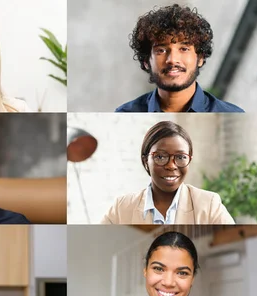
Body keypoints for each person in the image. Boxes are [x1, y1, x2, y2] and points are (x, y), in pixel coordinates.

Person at [95, 231, 234, 296]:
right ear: (145, 270)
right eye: (158, 269)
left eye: (182, 273)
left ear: (192, 278)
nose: (168, 282)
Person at [115, 4, 244, 112]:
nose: (172, 59)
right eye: (161, 50)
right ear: (146, 61)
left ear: (200, 58)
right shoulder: (124, 117)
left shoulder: (232, 117)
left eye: (184, 49)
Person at [101, 121, 234, 224]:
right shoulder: (122, 207)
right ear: (145, 160)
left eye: (181, 157)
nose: (171, 166)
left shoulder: (209, 204)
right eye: (160, 157)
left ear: (189, 159)